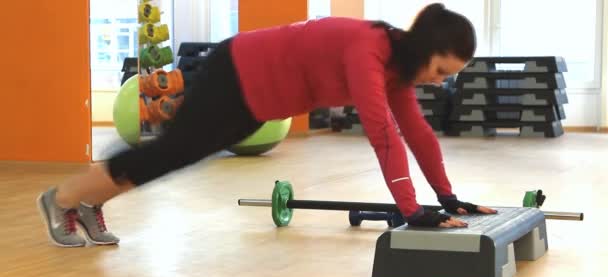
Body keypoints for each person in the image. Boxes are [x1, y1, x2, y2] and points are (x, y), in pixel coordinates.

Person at [37, 3, 497, 247]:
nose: (438, 83)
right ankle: (62, 199)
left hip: (255, 102)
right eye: (440, 70)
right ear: (423, 50)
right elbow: (383, 133)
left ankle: (88, 201)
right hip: (236, 72)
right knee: (168, 154)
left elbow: (416, 133)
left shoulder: (400, 68)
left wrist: (449, 197)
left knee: (172, 158)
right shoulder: (369, 48)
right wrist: (412, 211)